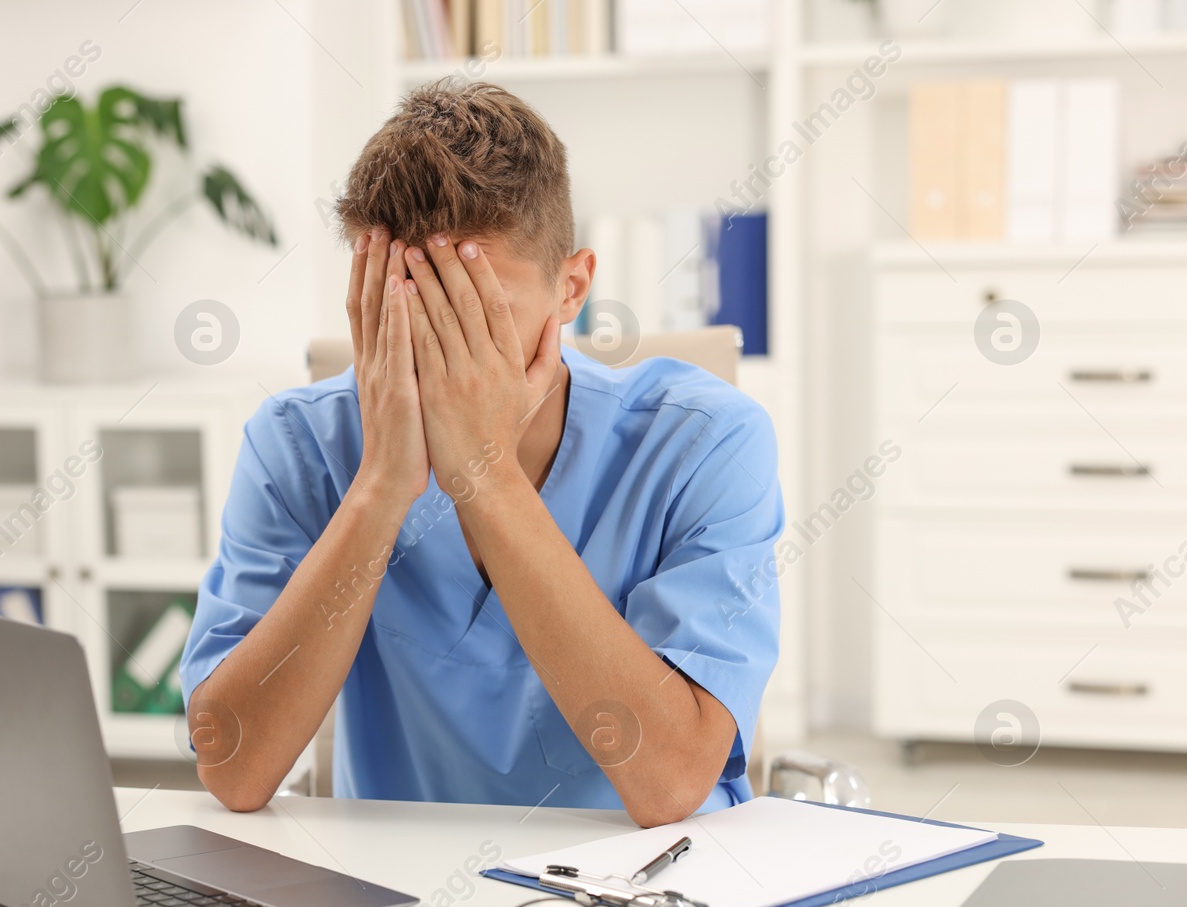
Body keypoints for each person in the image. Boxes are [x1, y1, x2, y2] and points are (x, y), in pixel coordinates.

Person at [179, 80, 782, 827]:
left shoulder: (706, 441)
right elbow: (234, 769)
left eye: (473, 312)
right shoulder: (298, 443)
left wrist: (485, 476)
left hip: (643, 886)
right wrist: (378, 488)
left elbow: (671, 782)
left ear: (572, 289)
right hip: (397, 900)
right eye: (409, 307)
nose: (439, 351)